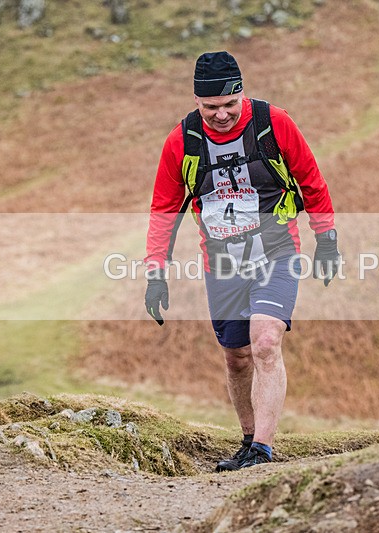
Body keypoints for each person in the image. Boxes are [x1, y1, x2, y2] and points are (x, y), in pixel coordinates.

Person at [143, 51, 340, 470]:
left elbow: (312, 182)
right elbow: (164, 210)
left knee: (265, 342)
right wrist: (155, 274)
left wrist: (327, 240)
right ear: (197, 101)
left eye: (230, 105)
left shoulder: (274, 123)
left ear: (241, 94)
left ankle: (263, 451)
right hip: (223, 264)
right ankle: (249, 442)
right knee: (236, 357)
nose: (221, 115)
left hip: (277, 252)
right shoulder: (182, 141)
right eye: (211, 107)